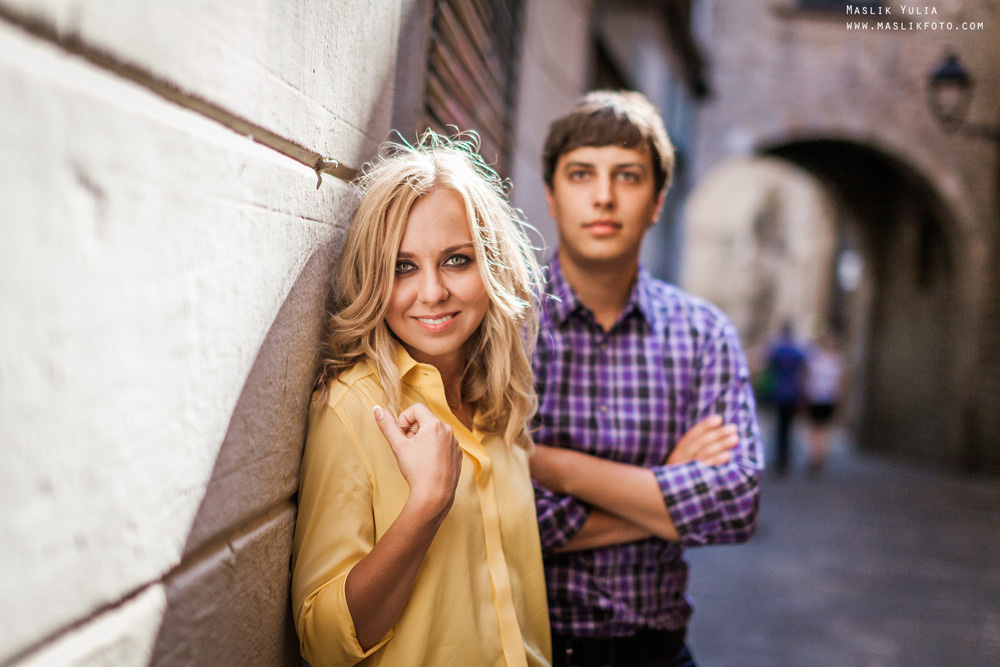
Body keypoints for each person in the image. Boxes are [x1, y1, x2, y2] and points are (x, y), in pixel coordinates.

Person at [291, 132, 551, 667]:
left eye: (457, 260)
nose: (431, 292)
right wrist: (427, 504)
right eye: (402, 266)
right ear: (372, 277)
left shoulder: (500, 405)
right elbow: (321, 641)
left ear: (493, 266)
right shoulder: (354, 407)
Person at [529, 90, 763, 667]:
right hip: (522, 650)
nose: (603, 197)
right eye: (581, 174)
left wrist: (543, 462)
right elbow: (492, 512)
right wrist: (668, 486)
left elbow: (736, 502)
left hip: (658, 654)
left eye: (628, 177)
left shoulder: (704, 333)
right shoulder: (502, 324)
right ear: (553, 196)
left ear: (658, 201)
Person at [766, 322, 807, 476]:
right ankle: (786, 458)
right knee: (788, 428)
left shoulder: (777, 349)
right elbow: (803, 369)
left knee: (779, 427)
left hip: (778, 392)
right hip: (793, 392)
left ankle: (779, 459)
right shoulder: (797, 350)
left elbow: (769, 367)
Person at [803, 331, 845, 477]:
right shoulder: (837, 361)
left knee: (815, 429)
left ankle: (815, 455)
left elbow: (807, 378)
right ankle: (820, 455)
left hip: (815, 397)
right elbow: (840, 382)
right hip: (828, 399)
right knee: (824, 429)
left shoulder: (814, 360)